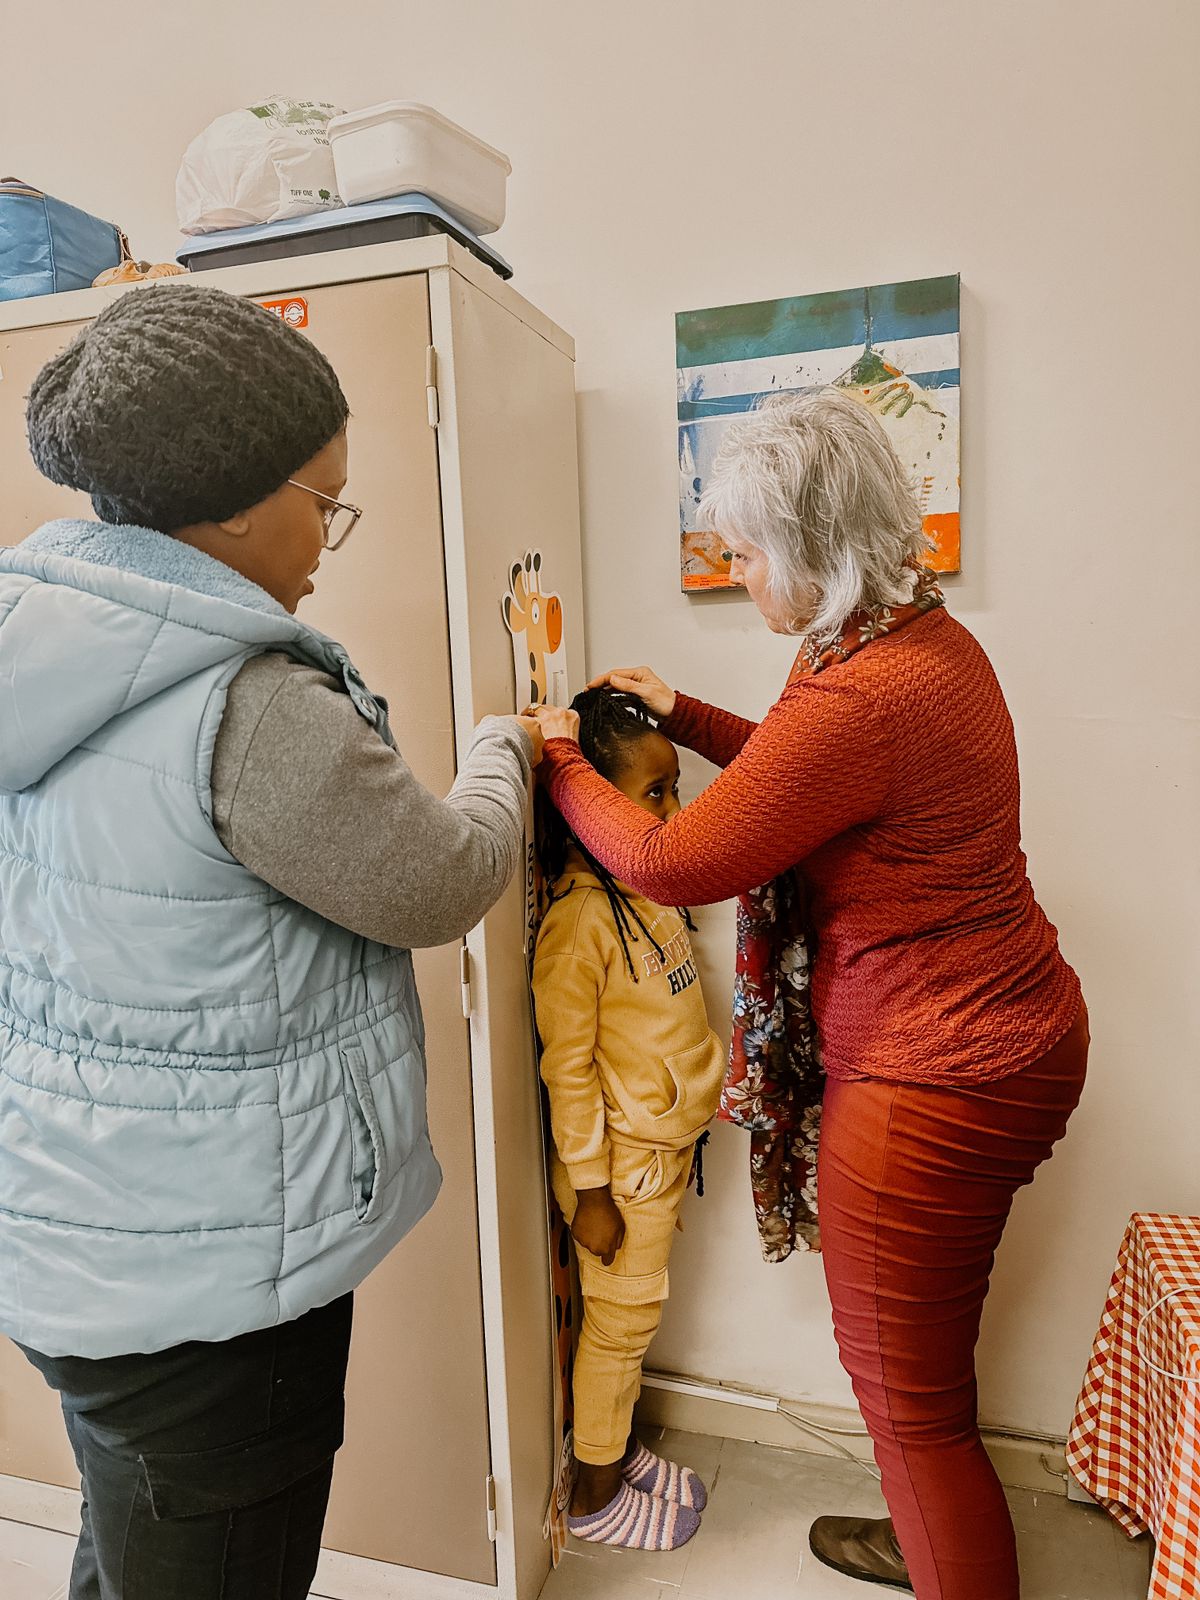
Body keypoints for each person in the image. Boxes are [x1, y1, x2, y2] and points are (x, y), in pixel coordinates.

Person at [0, 282, 542, 1600]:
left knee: (132, 1527)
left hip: (77, 1230)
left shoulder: (40, 637)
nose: (329, 540)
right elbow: (438, 881)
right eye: (325, 501)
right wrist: (507, 746)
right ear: (236, 506)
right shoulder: (250, 705)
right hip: (214, 1284)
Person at [533, 389, 1087, 1600]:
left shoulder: (863, 692)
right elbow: (802, 778)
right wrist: (684, 713)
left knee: (913, 1411)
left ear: (809, 547)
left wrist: (560, 758)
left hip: (940, 1074)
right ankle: (928, 1536)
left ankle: (945, 1550)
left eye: (744, 553)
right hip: (1009, 1037)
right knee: (923, 1381)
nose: (735, 575)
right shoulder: (911, 641)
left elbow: (676, 859)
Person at [533, 687, 723, 1553]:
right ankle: (595, 1495)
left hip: (664, 1154)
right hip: (622, 1174)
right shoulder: (578, 926)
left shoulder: (648, 889)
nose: (674, 811)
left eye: (673, 787)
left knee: (633, 1325)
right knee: (618, 1330)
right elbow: (566, 1072)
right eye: (655, 793)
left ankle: (615, 1449)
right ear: (590, 806)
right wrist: (592, 1192)